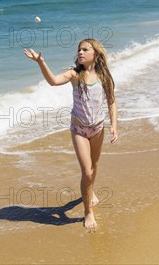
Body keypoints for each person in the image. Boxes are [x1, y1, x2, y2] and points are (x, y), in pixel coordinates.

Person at [24, 39, 118, 229]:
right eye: (79, 50)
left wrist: (114, 125)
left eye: (85, 49)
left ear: (96, 54)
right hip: (79, 130)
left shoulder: (104, 77)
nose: (81, 52)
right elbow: (53, 81)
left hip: (98, 128)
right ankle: (88, 212)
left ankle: (90, 191)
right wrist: (41, 62)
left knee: (95, 166)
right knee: (86, 170)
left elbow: (111, 102)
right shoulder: (75, 74)